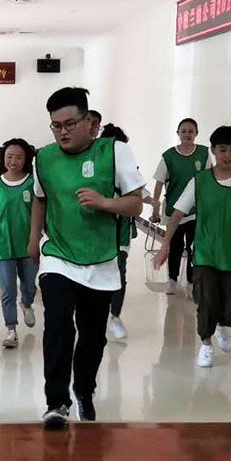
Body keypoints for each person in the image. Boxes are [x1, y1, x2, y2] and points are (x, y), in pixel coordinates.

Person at [30, 87, 146, 428]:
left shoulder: (114, 152)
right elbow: (40, 198)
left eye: (70, 123)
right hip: (58, 255)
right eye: (56, 126)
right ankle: (56, 402)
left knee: (93, 335)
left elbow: (136, 203)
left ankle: (83, 389)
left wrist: (104, 202)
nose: (63, 131)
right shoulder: (43, 158)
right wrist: (33, 238)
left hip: (101, 260)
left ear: (89, 122)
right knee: (58, 326)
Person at [155, 125, 231, 369]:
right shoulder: (200, 181)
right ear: (213, 151)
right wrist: (165, 246)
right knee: (206, 300)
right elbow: (177, 213)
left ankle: (223, 326)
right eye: (222, 150)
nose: (228, 155)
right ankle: (206, 344)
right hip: (204, 254)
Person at [0, 137, 37, 348]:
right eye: (9, 157)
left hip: (28, 243)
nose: (13, 161)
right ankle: (11, 330)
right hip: (4, 244)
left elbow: (40, 212)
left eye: (18, 157)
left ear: (26, 160)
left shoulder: (33, 183)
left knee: (29, 285)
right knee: (8, 290)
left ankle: (27, 303)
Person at [150, 119, 211, 294]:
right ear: (178, 134)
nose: (187, 134)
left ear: (196, 133)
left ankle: (192, 281)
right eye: (183, 131)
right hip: (174, 210)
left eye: (191, 131)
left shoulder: (204, 153)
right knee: (175, 247)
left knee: (194, 248)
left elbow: (208, 180)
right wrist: (155, 208)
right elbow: (159, 183)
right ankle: (172, 280)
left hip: (195, 211)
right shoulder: (169, 156)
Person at [100, 123, 137, 341]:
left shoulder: (129, 169)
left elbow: (139, 192)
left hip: (121, 232)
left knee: (119, 274)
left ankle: (114, 316)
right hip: (97, 233)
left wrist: (152, 202)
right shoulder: (93, 168)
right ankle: (98, 315)